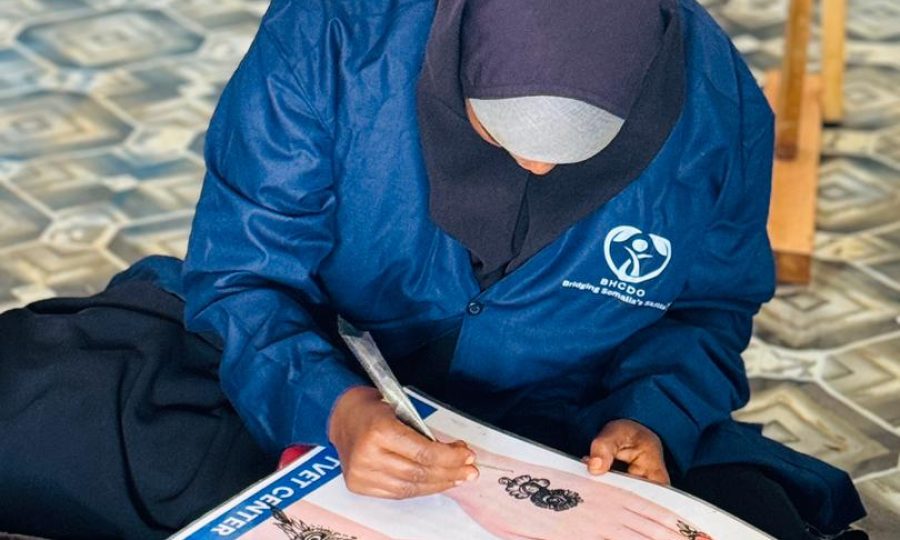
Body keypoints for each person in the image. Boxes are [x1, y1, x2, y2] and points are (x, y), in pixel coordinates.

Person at [0, 0, 868, 539]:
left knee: (753, 519)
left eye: (583, 152)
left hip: (564, 426)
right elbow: (243, 274)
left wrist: (653, 420)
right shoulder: (335, 34)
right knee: (35, 416)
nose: (535, 171)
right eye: (505, 131)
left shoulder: (721, 111)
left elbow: (709, 310)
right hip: (307, 383)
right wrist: (333, 410)